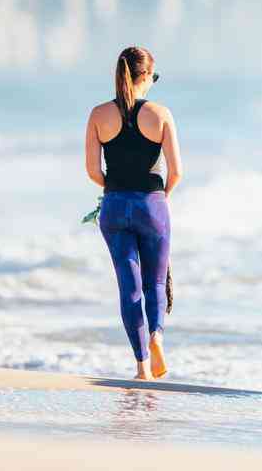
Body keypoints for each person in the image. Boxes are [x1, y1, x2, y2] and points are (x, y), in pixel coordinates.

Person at [84, 46, 183, 380]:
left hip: (114, 205)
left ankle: (141, 367)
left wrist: (115, 188)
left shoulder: (99, 114)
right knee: (154, 282)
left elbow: (93, 171)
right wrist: (161, 197)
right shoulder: (161, 114)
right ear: (145, 77)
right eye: (153, 77)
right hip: (151, 205)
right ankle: (156, 337)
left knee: (129, 287)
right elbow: (177, 171)